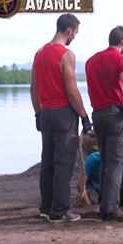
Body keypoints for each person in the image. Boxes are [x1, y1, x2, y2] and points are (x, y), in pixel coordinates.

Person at [30, 13, 91, 223]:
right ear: (70, 30)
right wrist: (84, 115)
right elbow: (72, 90)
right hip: (64, 113)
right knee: (64, 162)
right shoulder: (66, 54)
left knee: (47, 162)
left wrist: (37, 112)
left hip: (45, 112)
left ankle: (46, 208)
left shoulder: (39, 53)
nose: (75, 36)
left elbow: (34, 88)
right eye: (76, 33)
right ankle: (60, 211)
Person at [85, 25, 123, 221]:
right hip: (115, 114)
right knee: (116, 163)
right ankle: (111, 209)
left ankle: (104, 205)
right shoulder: (120, 60)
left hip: (97, 114)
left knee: (105, 161)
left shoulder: (90, 61)